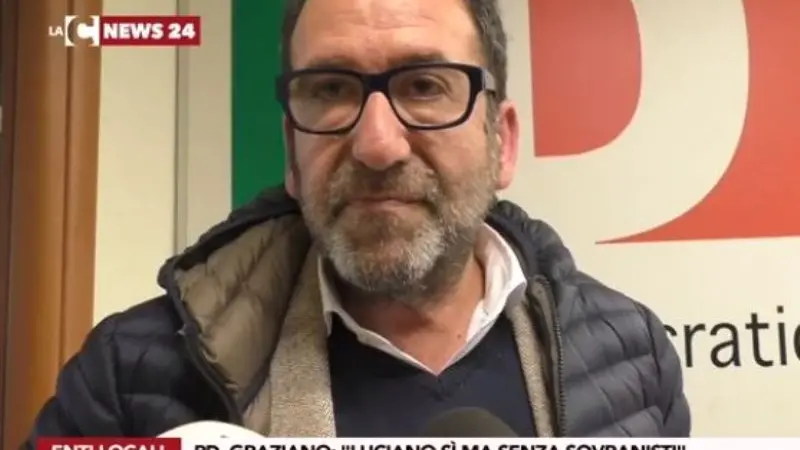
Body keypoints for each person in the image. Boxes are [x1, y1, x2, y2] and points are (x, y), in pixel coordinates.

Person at [24, 0, 691, 442]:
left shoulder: (631, 359)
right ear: (291, 147)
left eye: (424, 86)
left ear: (503, 141)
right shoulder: (131, 379)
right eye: (331, 90)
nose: (377, 144)